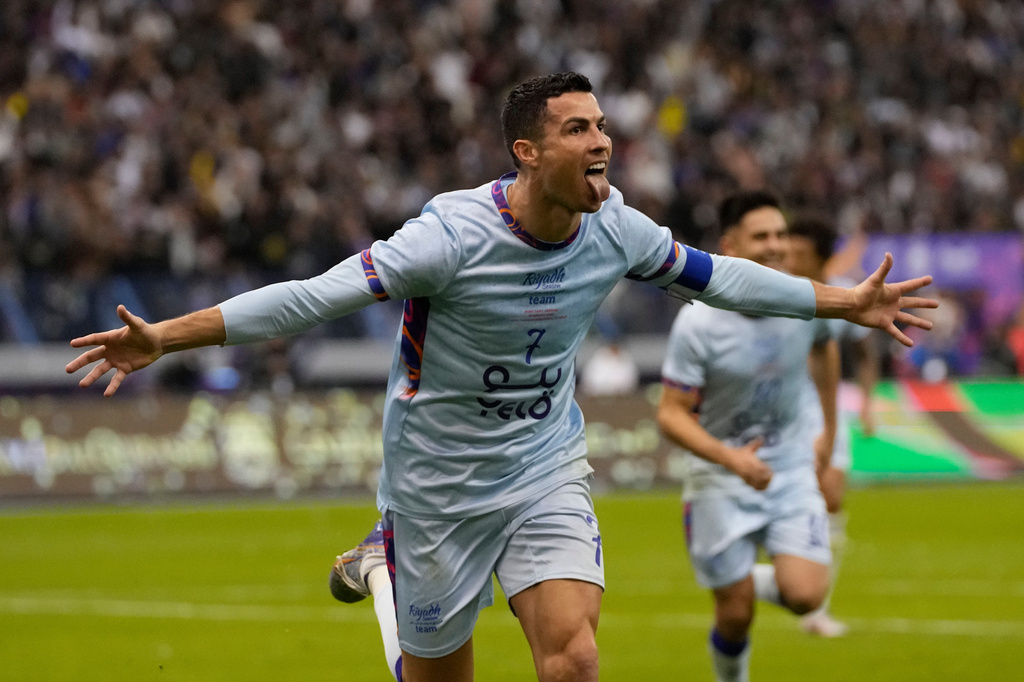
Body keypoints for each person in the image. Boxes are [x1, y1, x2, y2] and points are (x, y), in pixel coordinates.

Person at [66, 73, 936, 682]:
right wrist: (167, 337)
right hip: (436, 484)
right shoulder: (447, 239)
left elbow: (722, 277)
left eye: (602, 127)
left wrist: (844, 301)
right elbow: (311, 297)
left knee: (575, 659)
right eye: (578, 130)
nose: (602, 142)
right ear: (527, 151)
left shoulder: (617, 227)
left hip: (543, 467)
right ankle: (383, 568)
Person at [657, 191, 846, 682]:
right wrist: (732, 459)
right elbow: (671, 415)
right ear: (731, 246)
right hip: (719, 478)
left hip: (789, 469)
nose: (776, 246)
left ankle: (738, 579)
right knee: (736, 615)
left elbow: (825, 349)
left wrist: (829, 430)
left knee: (807, 595)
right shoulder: (699, 322)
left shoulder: (804, 301)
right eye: (761, 236)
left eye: (781, 234)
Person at [785, 214, 880, 638]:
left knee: (832, 499)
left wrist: (868, 405)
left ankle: (816, 607)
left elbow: (865, 353)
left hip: (826, 408)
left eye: (800, 253)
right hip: (780, 411)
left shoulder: (845, 296)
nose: (790, 259)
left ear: (821, 258)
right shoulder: (775, 290)